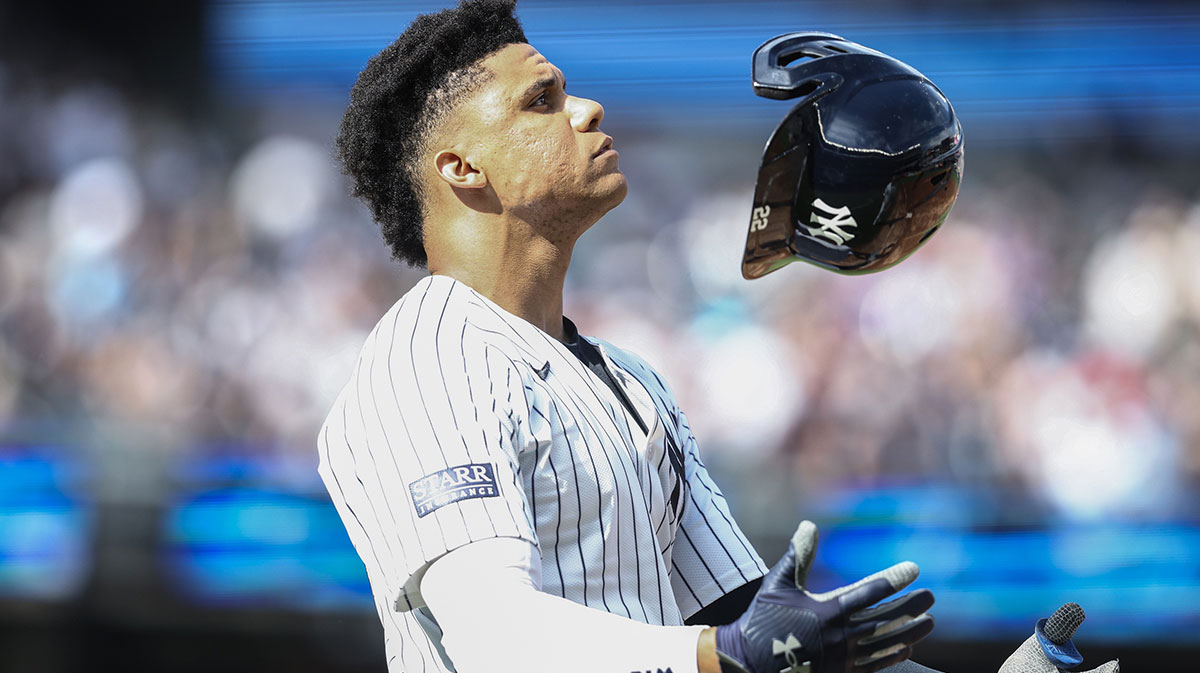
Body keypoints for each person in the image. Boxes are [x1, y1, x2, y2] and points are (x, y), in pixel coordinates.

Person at [316, 2, 938, 672]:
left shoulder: (630, 378)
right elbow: (490, 635)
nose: (587, 109)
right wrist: (725, 653)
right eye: (541, 100)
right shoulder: (428, 360)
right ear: (463, 167)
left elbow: (750, 624)